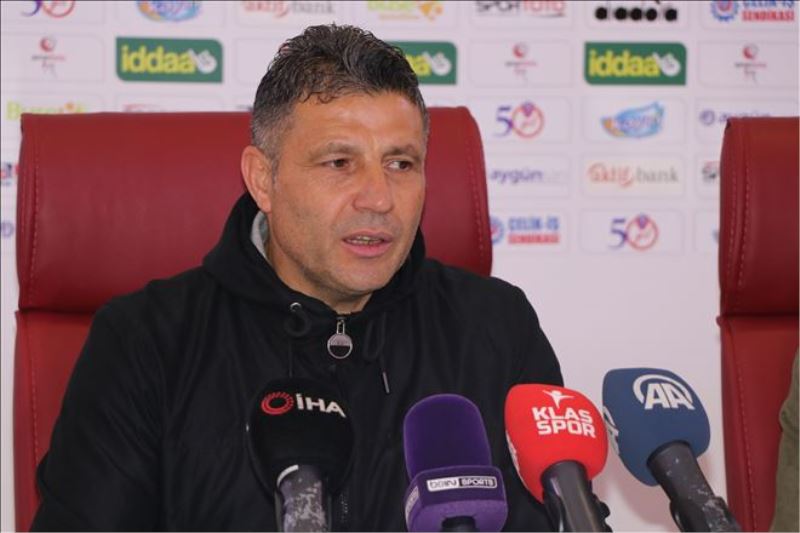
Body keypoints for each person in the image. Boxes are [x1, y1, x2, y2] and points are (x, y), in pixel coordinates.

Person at [31, 25, 562, 531]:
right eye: (339, 163)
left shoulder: (497, 327)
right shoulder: (146, 342)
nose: (379, 199)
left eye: (400, 164)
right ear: (264, 179)